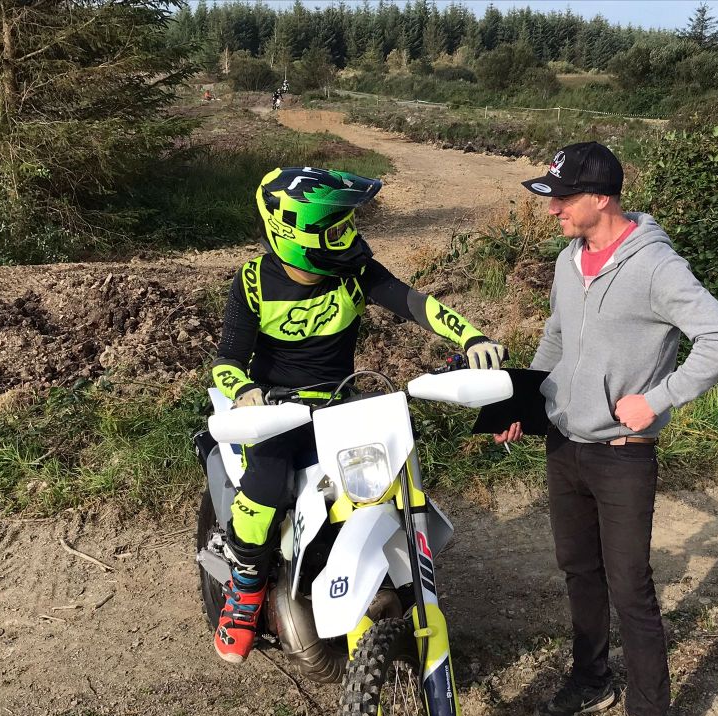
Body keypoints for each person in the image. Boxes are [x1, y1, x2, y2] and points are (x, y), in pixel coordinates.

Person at [496, 142, 718, 716]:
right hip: (564, 446)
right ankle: (590, 679)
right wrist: (524, 405)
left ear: (601, 198)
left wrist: (659, 398)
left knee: (631, 587)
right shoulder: (567, 259)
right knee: (579, 570)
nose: (552, 208)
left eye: (563, 197)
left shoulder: (656, 267)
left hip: (622, 455)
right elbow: (556, 337)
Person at [212, 166, 505, 664]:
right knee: (265, 488)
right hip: (277, 412)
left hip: (341, 402)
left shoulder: (355, 271)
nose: (348, 236)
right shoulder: (254, 282)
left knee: (389, 474)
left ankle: (397, 580)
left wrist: (471, 337)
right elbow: (227, 361)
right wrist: (245, 392)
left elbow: (415, 303)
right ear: (293, 234)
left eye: (348, 224)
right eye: (335, 229)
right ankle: (245, 591)